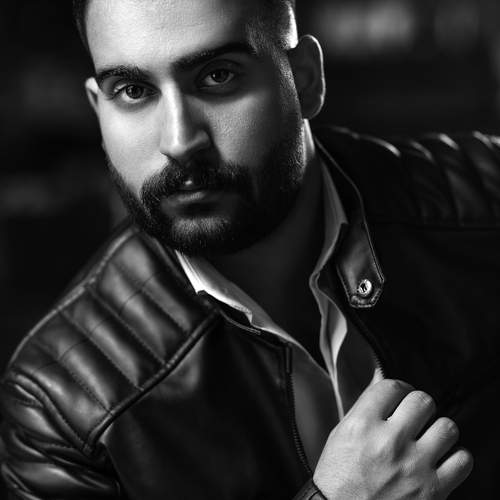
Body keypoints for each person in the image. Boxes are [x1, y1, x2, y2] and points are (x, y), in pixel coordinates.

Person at [5, 0, 500, 497]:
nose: (179, 140)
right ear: (99, 110)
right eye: (133, 91)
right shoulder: (60, 408)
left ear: (304, 79)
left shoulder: (486, 206)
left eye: (218, 76)